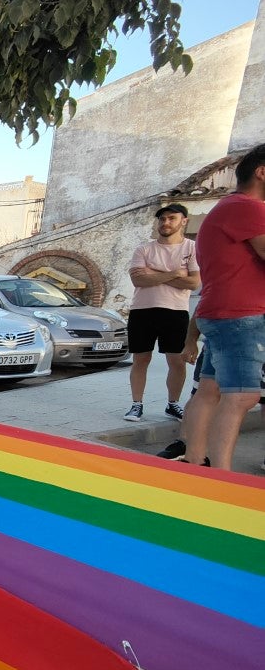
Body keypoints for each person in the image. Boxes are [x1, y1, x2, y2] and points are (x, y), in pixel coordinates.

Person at [179, 145, 265, 470]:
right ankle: (221, 477)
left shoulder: (227, 207)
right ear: (262, 172)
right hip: (241, 316)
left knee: (209, 391)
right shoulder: (247, 207)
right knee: (242, 396)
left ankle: (194, 461)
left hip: (220, 313)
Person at [123, 203, 199, 421]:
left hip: (175, 311)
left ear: (184, 221)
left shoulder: (192, 248)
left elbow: (194, 283)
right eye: (162, 219)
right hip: (142, 310)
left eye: (172, 218)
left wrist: (154, 273)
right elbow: (138, 279)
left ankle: (172, 404)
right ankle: (136, 405)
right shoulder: (144, 249)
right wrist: (176, 273)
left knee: (177, 361)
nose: (166, 222)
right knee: (141, 359)